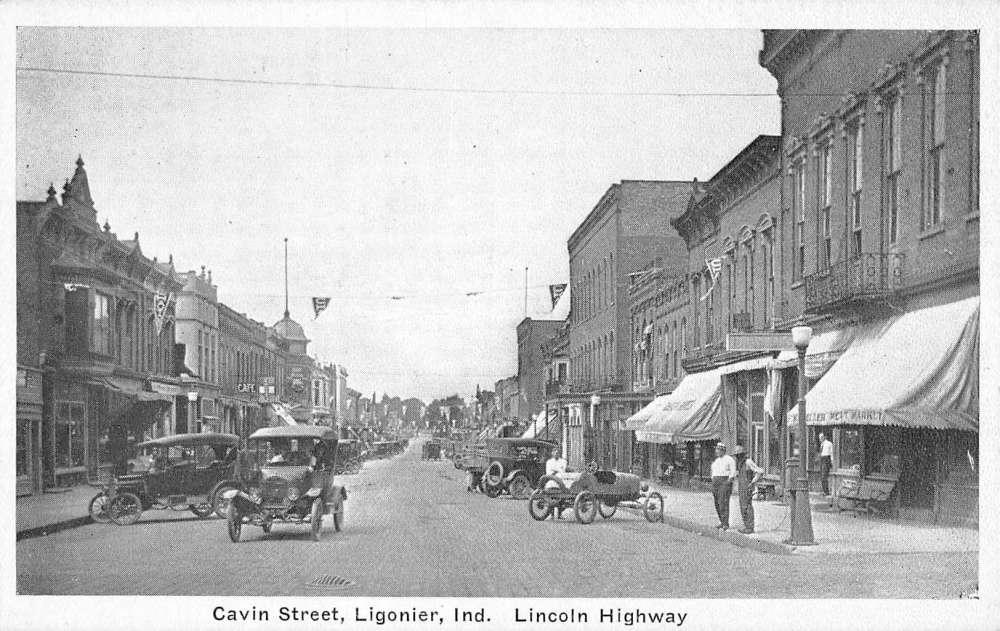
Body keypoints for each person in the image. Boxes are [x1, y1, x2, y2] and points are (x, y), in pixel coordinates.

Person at [732, 445, 764, 534]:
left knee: (747, 506)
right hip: (741, 487)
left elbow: (759, 471)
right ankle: (746, 526)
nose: (737, 457)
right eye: (736, 455)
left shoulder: (748, 462)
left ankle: (750, 527)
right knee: (743, 506)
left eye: (739, 455)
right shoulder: (740, 464)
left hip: (747, 487)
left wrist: (753, 482)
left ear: (742, 455)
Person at [710, 442, 737, 530]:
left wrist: (728, 482)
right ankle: (721, 521)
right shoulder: (716, 461)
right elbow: (713, 472)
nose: (717, 451)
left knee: (723, 503)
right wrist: (713, 481)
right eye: (716, 449)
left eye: (719, 450)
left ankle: (726, 523)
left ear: (723, 450)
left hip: (724, 482)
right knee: (717, 503)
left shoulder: (729, 459)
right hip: (715, 483)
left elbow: (733, 472)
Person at [545, 444, 568, 519]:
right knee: (550, 496)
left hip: (561, 482)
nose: (556, 453)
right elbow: (549, 473)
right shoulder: (549, 462)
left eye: (558, 452)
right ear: (552, 453)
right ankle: (551, 514)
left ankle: (559, 514)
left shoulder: (563, 462)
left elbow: (563, 472)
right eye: (554, 451)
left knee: (564, 494)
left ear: (560, 453)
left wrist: (557, 471)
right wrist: (557, 471)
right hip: (551, 482)